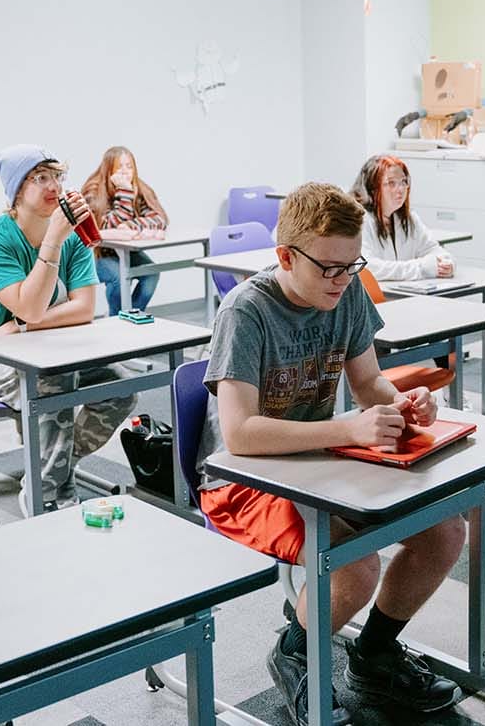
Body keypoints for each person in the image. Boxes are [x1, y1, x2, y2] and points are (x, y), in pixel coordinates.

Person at [196, 182, 463, 726]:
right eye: (328, 268)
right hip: (245, 481)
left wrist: (405, 404)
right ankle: (294, 651)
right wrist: (348, 428)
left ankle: (373, 656)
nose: (342, 280)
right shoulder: (246, 312)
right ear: (285, 257)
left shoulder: (346, 293)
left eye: (352, 265)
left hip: (323, 461)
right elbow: (241, 435)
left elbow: (368, 384)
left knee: (446, 530)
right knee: (357, 565)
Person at [0, 145, 136, 510]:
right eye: (40, 178)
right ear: (17, 191)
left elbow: (83, 308)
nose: (54, 186)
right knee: (54, 381)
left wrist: (19, 328)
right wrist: (53, 240)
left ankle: (52, 468)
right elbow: (32, 306)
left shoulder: (71, 234)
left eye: (57, 176)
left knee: (121, 386)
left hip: (41, 348)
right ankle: (46, 496)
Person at [81, 146, 169, 317]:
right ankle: (116, 318)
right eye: (119, 167)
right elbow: (106, 226)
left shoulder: (139, 187)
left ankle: (130, 316)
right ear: (109, 170)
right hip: (99, 254)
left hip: (126, 252)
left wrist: (132, 225)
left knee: (151, 272)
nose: (125, 171)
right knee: (118, 277)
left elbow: (160, 219)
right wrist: (125, 192)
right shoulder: (93, 191)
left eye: (129, 166)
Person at [351, 155, 454, 282]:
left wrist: (445, 264)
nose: (400, 189)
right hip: (375, 297)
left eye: (403, 182)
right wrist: (421, 268)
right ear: (372, 188)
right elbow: (367, 267)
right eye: (391, 183)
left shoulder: (408, 218)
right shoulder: (359, 220)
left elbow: (436, 251)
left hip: (405, 293)